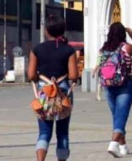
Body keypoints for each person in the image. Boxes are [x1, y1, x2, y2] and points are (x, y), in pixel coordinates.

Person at [28, 18, 80, 161]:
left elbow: (31, 75)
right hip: (63, 94)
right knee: (62, 132)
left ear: (46, 31)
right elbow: (74, 75)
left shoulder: (37, 49)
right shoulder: (69, 50)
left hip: (44, 93)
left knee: (44, 132)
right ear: (62, 31)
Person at [96, 21, 132, 157]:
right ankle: (113, 144)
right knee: (121, 116)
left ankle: (123, 147)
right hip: (125, 86)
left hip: (108, 86)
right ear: (123, 34)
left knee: (118, 117)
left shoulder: (103, 49)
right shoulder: (126, 47)